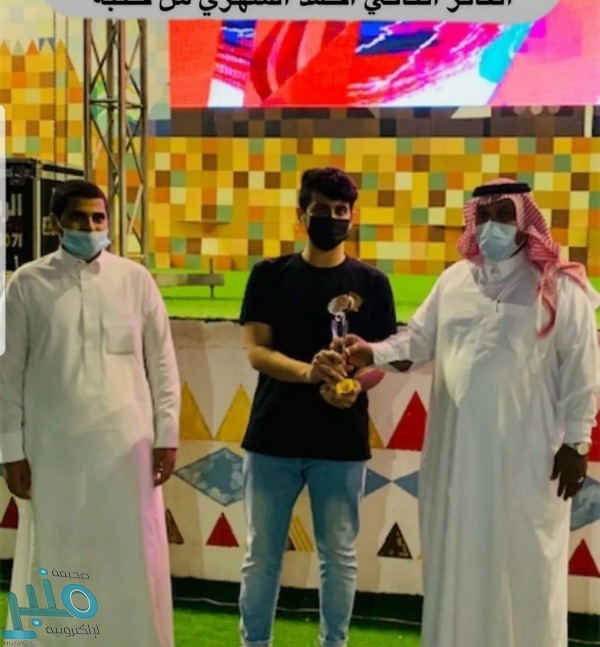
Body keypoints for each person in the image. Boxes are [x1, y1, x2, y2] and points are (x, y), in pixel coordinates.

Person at [345, 178, 600, 647]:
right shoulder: (455, 280)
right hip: (456, 457)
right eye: (482, 216)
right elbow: (418, 341)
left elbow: (582, 368)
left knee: (525, 560)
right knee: (457, 554)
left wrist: (577, 442)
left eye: (504, 214)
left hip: (526, 458)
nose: (491, 225)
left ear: (525, 222)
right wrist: (372, 352)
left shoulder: (560, 285)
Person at [0, 180, 180, 647]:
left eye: (98, 218)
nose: (90, 226)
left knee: (131, 550)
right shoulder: (26, 284)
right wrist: (11, 451)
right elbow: (8, 374)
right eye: (79, 218)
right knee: (56, 548)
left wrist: (167, 436)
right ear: (55, 223)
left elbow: (162, 364)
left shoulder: (135, 280)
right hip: (52, 449)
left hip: (128, 448)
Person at [238, 167, 398, 647]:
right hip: (272, 437)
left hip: (340, 441)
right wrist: (310, 373)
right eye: (321, 210)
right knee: (262, 556)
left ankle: (334, 643)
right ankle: (254, 643)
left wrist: (352, 386)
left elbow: (381, 362)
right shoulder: (269, 275)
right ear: (301, 215)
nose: (332, 218)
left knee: (339, 557)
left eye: (340, 210)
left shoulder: (373, 283)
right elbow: (257, 351)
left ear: (352, 217)